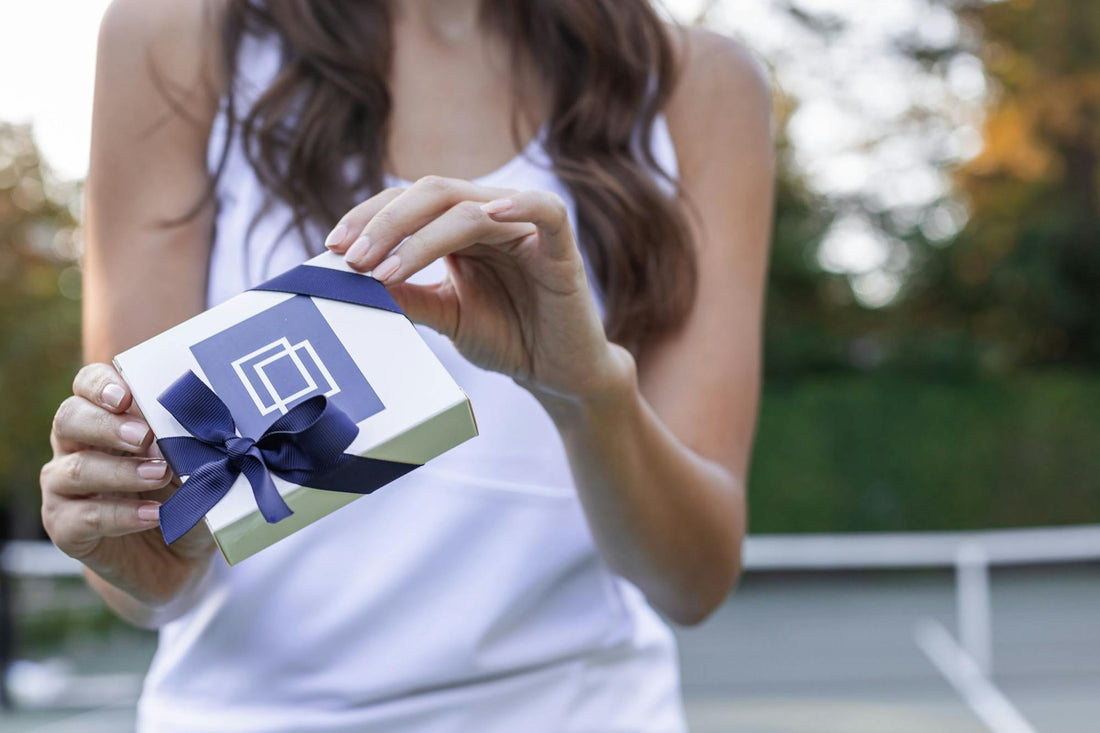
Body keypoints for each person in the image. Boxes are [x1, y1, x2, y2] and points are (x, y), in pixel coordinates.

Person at [39, 0, 773, 730]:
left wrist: (586, 390)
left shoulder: (694, 82)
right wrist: (138, 554)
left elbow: (694, 580)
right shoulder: (177, 35)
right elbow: (147, 554)